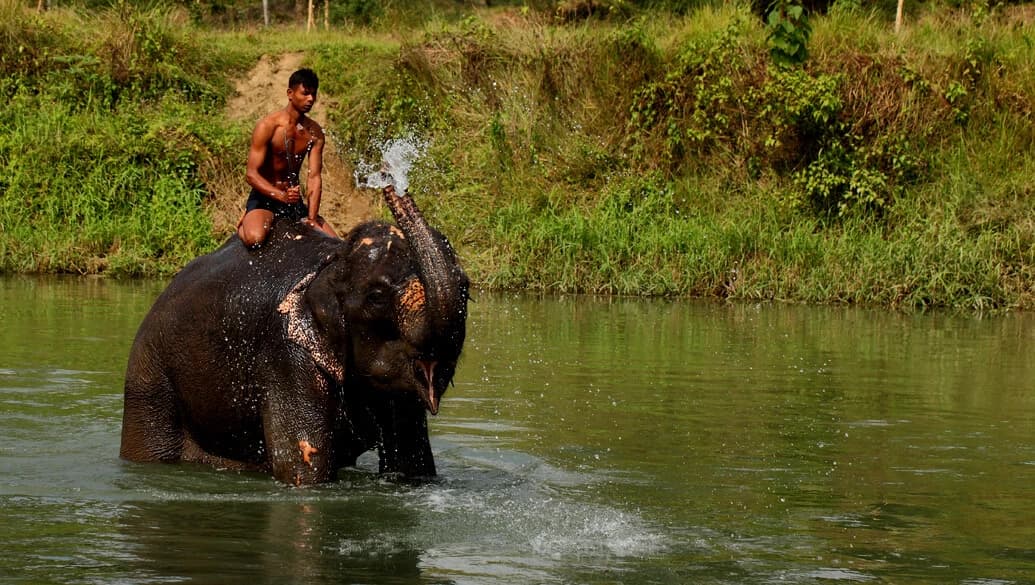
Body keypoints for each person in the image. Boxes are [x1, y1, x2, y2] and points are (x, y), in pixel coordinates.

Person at [238, 68, 338, 248]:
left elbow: (314, 177)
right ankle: (246, 220)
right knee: (254, 238)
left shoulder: (314, 133)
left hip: (293, 201)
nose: (311, 99)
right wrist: (281, 196)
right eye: (305, 93)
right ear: (290, 94)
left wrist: (312, 218)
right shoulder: (268, 126)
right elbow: (251, 174)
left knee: (335, 244)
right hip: (265, 199)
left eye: (313, 94)